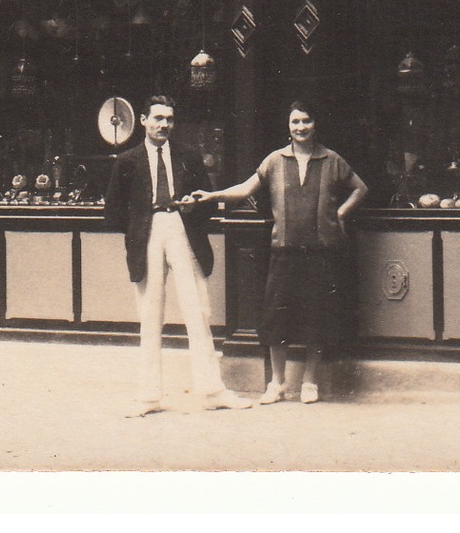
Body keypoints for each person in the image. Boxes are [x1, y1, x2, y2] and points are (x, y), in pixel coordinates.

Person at [192, 100, 368, 404]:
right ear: (288, 127)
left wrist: (338, 215)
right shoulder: (274, 161)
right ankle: (278, 383)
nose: (301, 127)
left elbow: (360, 189)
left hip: (320, 252)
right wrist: (211, 195)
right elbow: (245, 189)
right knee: (277, 319)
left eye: (306, 121)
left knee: (317, 317)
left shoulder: (331, 159)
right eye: (295, 122)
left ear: (315, 124)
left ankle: (309, 383)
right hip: (283, 251)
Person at [102, 94, 252, 416]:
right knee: (150, 314)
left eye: (169, 119)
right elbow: (112, 212)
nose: (164, 125)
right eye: (157, 118)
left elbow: (206, 202)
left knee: (198, 310)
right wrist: (140, 225)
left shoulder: (188, 156)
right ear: (142, 120)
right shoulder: (127, 161)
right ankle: (149, 397)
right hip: (148, 233)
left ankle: (212, 391)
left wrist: (193, 207)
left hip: (183, 229)